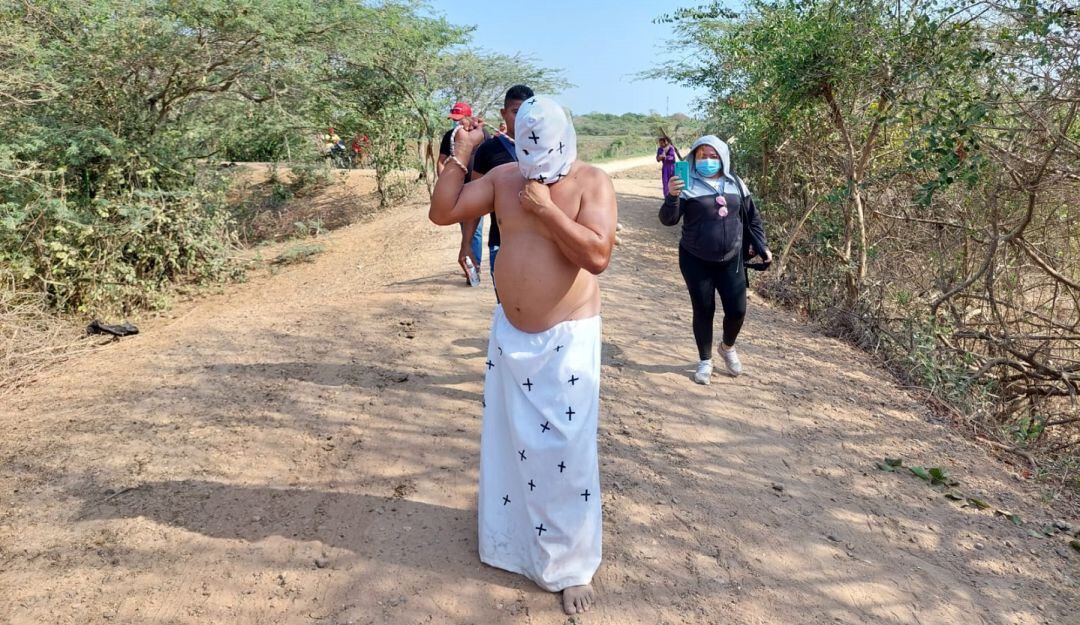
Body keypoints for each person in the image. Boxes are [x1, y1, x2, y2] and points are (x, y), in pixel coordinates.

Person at [429, 96, 617, 615]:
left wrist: (546, 210)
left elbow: (597, 256)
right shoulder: (504, 176)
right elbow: (442, 212)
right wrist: (461, 154)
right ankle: (510, 542)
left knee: (566, 450)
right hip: (510, 337)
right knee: (511, 444)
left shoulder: (591, 181)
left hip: (567, 338)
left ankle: (572, 566)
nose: (537, 171)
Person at [659, 135, 771, 384]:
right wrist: (672, 196)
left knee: (737, 310)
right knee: (703, 309)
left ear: (723, 158)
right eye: (702, 156)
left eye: (713, 156)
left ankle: (727, 347)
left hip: (732, 258)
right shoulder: (685, 183)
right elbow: (668, 220)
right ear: (694, 157)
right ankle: (705, 361)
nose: (708, 160)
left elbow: (752, 218)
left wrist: (761, 245)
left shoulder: (736, 183)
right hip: (695, 259)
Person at [468, 84, 534, 280]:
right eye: (516, 112)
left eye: (527, 112)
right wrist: (466, 244)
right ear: (503, 113)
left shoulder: (547, 147)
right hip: (502, 243)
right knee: (506, 299)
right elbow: (474, 202)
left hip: (542, 242)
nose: (522, 118)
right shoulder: (488, 150)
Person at [437, 101, 487, 283]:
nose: (457, 122)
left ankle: (474, 268)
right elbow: (441, 161)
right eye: (454, 119)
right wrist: (444, 183)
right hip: (458, 189)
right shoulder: (450, 136)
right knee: (465, 227)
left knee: (475, 230)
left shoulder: (482, 136)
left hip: (478, 188)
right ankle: (469, 261)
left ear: (469, 118)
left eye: (459, 119)